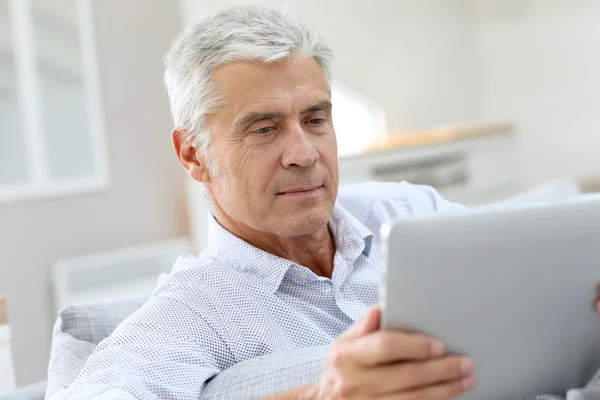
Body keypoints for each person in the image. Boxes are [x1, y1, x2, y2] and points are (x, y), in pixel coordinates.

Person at [53, 5, 600, 400]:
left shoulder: (407, 214)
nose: (303, 153)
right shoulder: (191, 315)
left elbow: (523, 283)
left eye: (316, 119)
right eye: (264, 129)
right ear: (192, 154)